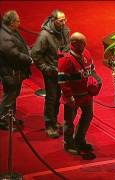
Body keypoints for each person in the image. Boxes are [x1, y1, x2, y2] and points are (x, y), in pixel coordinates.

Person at [31, 9, 70, 138]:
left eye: (65, 19)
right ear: (53, 20)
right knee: (51, 98)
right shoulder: (44, 35)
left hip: (62, 70)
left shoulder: (65, 30)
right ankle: (49, 125)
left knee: (58, 98)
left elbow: (67, 46)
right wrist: (46, 69)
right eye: (61, 20)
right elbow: (35, 54)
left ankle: (54, 121)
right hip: (51, 72)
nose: (64, 22)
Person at [58, 32, 97, 154]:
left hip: (86, 95)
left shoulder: (86, 53)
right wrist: (69, 97)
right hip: (73, 97)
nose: (85, 45)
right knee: (69, 121)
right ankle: (68, 143)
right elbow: (62, 81)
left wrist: (94, 83)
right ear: (74, 44)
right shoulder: (66, 60)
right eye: (82, 43)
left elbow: (92, 70)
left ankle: (79, 140)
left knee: (88, 116)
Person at [0, 10, 33, 130]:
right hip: (10, 73)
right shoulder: (5, 37)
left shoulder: (11, 31)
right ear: (12, 22)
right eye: (18, 20)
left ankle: (10, 117)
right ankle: (3, 121)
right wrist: (29, 59)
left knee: (13, 95)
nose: (20, 22)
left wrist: (27, 52)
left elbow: (21, 46)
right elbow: (14, 55)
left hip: (15, 72)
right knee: (9, 96)